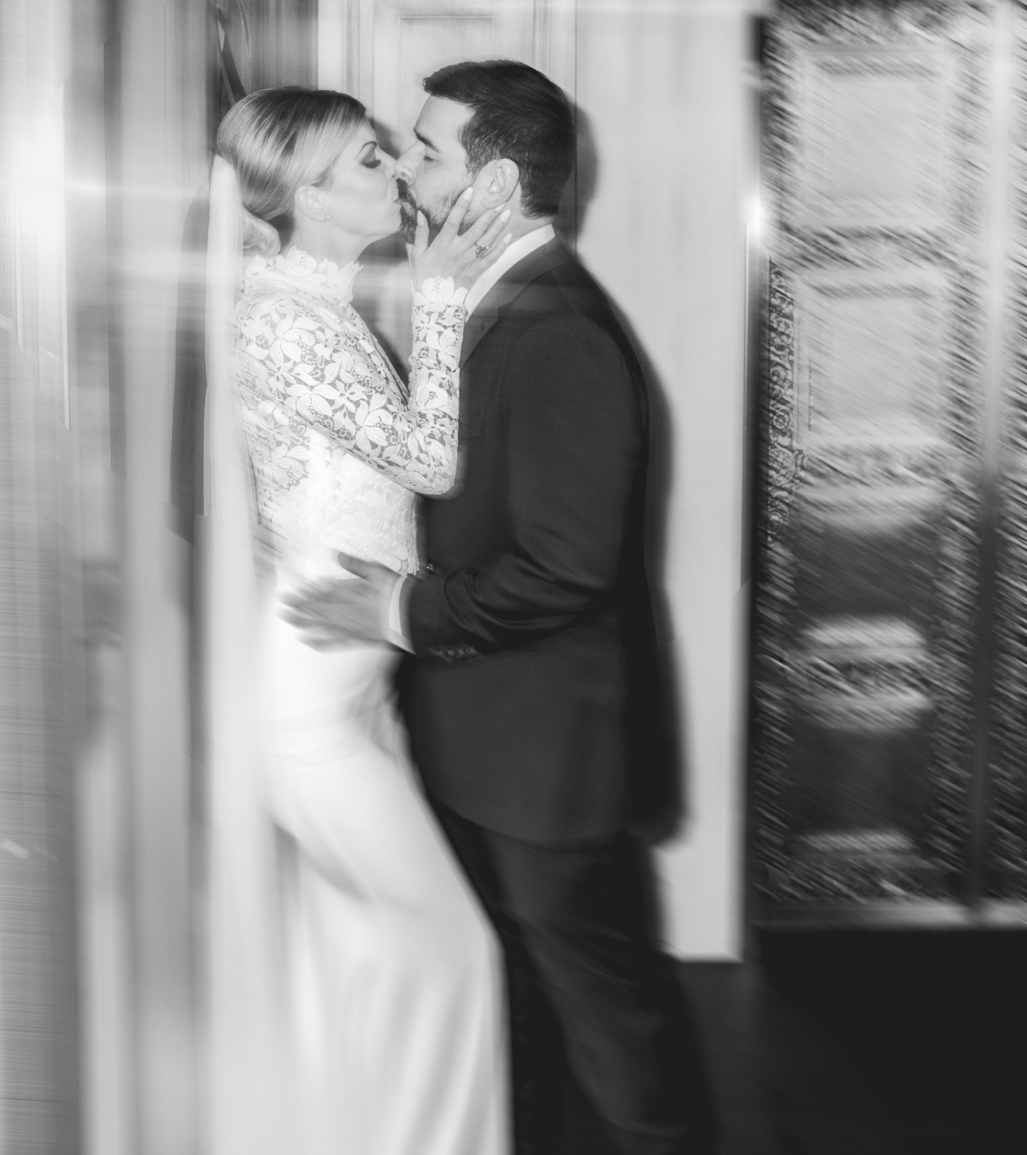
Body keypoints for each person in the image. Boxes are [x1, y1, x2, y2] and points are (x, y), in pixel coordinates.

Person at [287, 61, 718, 1155]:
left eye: (427, 149)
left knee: (611, 1022)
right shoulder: (479, 299)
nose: (406, 162)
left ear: (493, 183)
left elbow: (566, 567)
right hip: (484, 740)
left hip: (546, 762)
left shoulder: (560, 328)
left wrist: (399, 609)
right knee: (516, 1000)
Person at [203, 86, 513, 1155]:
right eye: (370, 163)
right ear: (306, 196)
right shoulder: (286, 319)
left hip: (353, 672)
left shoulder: (312, 303)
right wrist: (437, 298)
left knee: (353, 948)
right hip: (312, 701)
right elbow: (426, 460)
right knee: (454, 945)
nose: (397, 173)